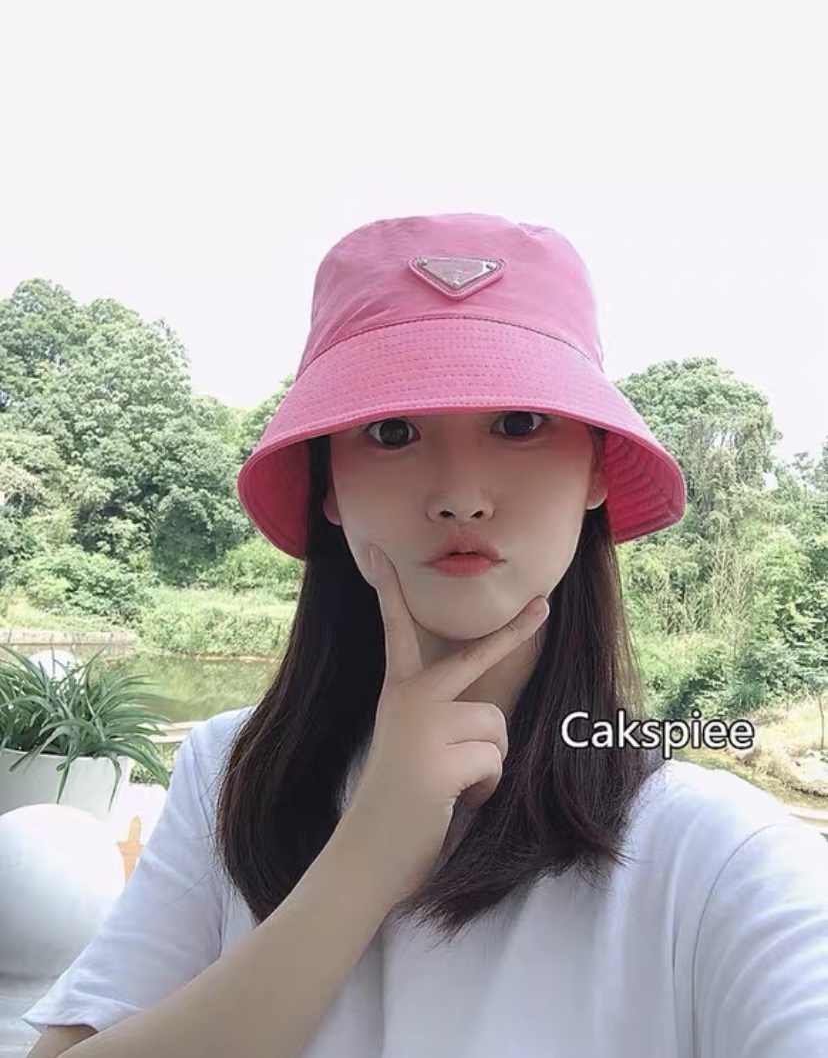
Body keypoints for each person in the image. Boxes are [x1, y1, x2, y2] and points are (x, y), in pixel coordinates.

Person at [22, 213, 828, 1058]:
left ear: (597, 465)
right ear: (329, 484)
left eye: (520, 422)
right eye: (392, 431)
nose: (460, 496)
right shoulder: (228, 774)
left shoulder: (717, 854)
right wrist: (364, 858)